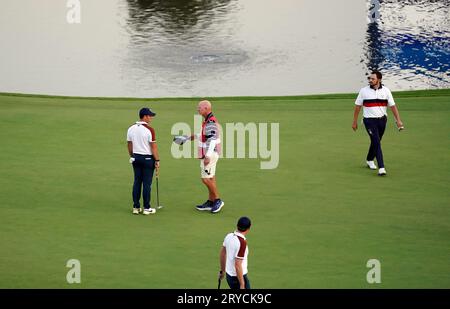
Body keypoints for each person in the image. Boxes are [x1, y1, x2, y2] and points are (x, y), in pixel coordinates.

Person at [352, 70, 404, 176]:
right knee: (377, 142)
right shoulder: (364, 91)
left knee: (376, 141)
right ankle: (381, 167)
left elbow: (393, 107)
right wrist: (355, 122)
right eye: (369, 78)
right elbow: (358, 107)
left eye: (373, 79)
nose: (370, 80)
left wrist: (398, 120)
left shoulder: (386, 91)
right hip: (369, 121)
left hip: (382, 120)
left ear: (379, 80)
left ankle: (369, 159)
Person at [191, 100, 224, 213]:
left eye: (199, 107)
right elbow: (204, 135)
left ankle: (218, 200)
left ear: (206, 108)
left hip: (210, 154)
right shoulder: (208, 120)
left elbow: (212, 139)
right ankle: (211, 201)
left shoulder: (210, 122)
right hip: (211, 153)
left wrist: (207, 156)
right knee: (211, 178)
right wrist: (190, 137)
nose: (197, 109)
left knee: (205, 179)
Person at [126, 107, 160, 215]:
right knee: (146, 184)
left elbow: (129, 145)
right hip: (148, 159)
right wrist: (157, 160)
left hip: (136, 158)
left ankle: (136, 207)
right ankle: (146, 208)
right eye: (149, 116)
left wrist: (133, 155)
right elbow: (153, 147)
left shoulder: (131, 128)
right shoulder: (150, 130)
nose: (151, 118)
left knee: (137, 182)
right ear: (144, 116)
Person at [219, 217, 251, 289]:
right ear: (248, 229)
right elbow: (238, 265)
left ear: (237, 226)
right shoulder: (242, 243)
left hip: (229, 276)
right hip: (238, 278)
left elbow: (222, 253)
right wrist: (242, 284)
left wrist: (222, 270)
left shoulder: (229, 236)